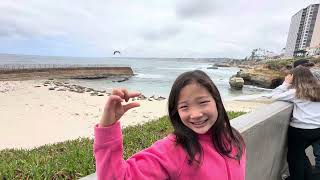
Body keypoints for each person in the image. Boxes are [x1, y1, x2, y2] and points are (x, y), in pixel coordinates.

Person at [94, 70, 246, 180]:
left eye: (203, 102)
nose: (195, 114)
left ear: (217, 102)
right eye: (184, 107)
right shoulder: (173, 149)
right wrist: (108, 127)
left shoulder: (234, 138)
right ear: (176, 112)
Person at [272, 66, 320, 180]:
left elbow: (274, 96)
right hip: (317, 130)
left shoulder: (297, 92)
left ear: (295, 78)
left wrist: (285, 83)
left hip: (300, 130)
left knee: (294, 158)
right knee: (301, 156)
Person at [293, 59, 320, 170]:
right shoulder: (314, 74)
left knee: (297, 154)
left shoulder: (313, 74)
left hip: (307, 126)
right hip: (317, 124)